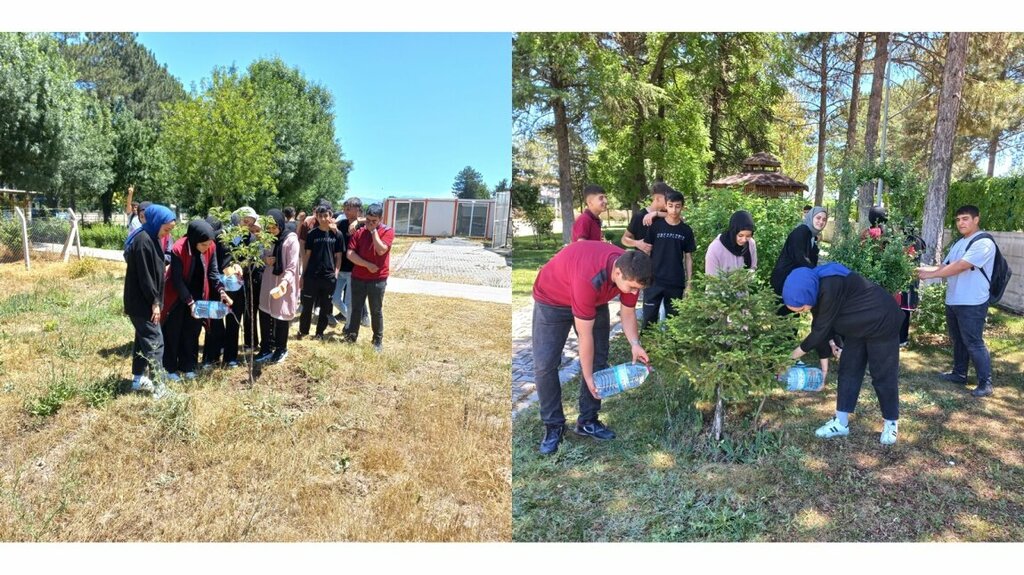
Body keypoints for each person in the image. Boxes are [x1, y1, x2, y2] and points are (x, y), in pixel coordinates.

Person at [531, 242, 652, 454]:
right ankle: (554, 425)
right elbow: (585, 336)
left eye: (638, 290)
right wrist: (588, 377)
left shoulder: (632, 270)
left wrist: (635, 344)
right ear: (617, 273)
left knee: (598, 359)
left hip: (594, 299)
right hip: (552, 299)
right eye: (632, 288)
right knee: (545, 364)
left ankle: (588, 420)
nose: (634, 292)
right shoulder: (589, 278)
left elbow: (628, 312)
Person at [783, 263, 902, 445]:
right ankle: (841, 423)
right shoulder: (815, 288)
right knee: (848, 370)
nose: (802, 312)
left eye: (801, 309)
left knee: (882, 374)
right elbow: (822, 323)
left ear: (807, 295)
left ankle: (891, 423)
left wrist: (788, 358)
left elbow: (818, 333)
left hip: (882, 320)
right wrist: (833, 343)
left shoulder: (831, 284)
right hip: (857, 326)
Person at [918, 205, 997, 398]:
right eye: (958, 219)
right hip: (954, 299)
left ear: (976, 219)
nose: (961, 223)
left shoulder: (984, 242)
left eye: (965, 219)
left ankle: (985, 383)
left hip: (973, 301)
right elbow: (945, 266)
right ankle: (959, 373)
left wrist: (930, 275)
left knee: (973, 342)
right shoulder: (959, 243)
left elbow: (961, 266)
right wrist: (922, 270)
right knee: (959, 340)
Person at [161, 220, 231, 381]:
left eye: (209, 244)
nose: (207, 248)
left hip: (199, 293)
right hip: (177, 294)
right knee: (174, 331)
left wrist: (221, 291)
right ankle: (169, 368)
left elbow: (213, 272)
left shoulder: (211, 246)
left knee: (192, 331)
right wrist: (189, 302)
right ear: (194, 240)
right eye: (203, 245)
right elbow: (177, 280)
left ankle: (188, 366)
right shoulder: (178, 248)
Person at [123, 203, 176, 393]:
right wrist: (155, 302)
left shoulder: (151, 238)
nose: (167, 234)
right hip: (142, 302)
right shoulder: (143, 241)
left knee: (142, 340)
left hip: (144, 301)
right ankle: (159, 387)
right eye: (166, 229)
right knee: (155, 341)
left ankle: (137, 379)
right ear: (156, 222)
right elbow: (146, 277)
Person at [344, 203, 394, 352]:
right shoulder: (359, 232)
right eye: (368, 220)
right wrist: (367, 265)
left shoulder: (387, 231)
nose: (370, 223)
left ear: (380, 219)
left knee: (376, 310)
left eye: (374, 221)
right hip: (358, 277)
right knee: (356, 309)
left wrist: (373, 232)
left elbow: (381, 250)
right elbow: (350, 254)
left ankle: (377, 340)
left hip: (378, 279)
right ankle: (351, 336)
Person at [643, 190, 695, 327]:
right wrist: (643, 275)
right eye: (670, 206)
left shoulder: (686, 230)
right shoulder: (655, 227)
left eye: (677, 206)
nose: (674, 210)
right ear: (665, 206)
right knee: (648, 321)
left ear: (682, 207)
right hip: (653, 281)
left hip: (675, 282)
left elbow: (688, 257)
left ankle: (672, 343)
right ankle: (648, 342)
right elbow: (646, 251)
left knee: (674, 323)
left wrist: (689, 282)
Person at [256, 209, 299, 364]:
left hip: (283, 283)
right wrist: (265, 259)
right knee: (265, 314)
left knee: (281, 316)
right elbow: (260, 255)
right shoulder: (267, 238)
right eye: (268, 227)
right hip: (268, 280)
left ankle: (281, 348)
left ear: (281, 224)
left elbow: (292, 266)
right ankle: (266, 347)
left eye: (274, 227)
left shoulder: (290, 240)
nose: (272, 230)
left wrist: (284, 283)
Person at [200, 215, 244, 368]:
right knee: (218, 322)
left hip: (231, 285)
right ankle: (217, 357)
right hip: (220, 285)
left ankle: (223, 357)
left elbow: (244, 259)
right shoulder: (219, 238)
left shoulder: (240, 237)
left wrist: (238, 266)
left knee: (226, 322)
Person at [298, 205, 342, 340]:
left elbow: (339, 257)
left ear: (330, 216)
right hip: (312, 276)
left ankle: (319, 333)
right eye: (320, 216)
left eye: (325, 216)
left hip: (328, 277)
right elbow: (307, 255)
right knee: (307, 306)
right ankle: (303, 331)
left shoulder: (337, 234)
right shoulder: (312, 234)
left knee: (325, 307)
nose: (323, 219)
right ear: (316, 217)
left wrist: (336, 274)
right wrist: (303, 275)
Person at [771, 206, 827, 297]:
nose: (821, 222)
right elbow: (800, 257)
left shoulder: (812, 236)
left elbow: (812, 260)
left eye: (824, 220)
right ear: (811, 217)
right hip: (784, 280)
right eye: (818, 218)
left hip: (794, 280)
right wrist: (817, 273)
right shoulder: (802, 230)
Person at [332, 197, 370, 329]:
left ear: (358, 210)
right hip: (340, 267)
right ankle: (352, 319)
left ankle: (349, 327)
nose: (346, 211)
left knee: (349, 301)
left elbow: (379, 221)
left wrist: (358, 221)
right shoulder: (342, 223)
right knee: (335, 299)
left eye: (349, 209)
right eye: (345, 208)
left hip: (354, 270)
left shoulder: (364, 225)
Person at [233, 207, 263, 354]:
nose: (248, 226)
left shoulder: (252, 239)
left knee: (250, 311)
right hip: (234, 280)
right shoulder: (232, 236)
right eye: (245, 222)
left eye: (250, 223)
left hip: (250, 279)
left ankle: (251, 341)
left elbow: (256, 259)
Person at [621, 182, 669, 256]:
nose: (669, 201)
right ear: (657, 198)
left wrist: (656, 213)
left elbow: (680, 219)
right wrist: (637, 243)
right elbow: (624, 239)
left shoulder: (668, 214)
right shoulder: (639, 216)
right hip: (644, 261)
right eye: (667, 198)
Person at [705, 210, 757, 276]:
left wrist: (749, 276)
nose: (744, 240)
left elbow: (752, 268)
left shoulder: (750, 243)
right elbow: (711, 277)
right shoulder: (715, 248)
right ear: (733, 232)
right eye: (740, 235)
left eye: (748, 236)